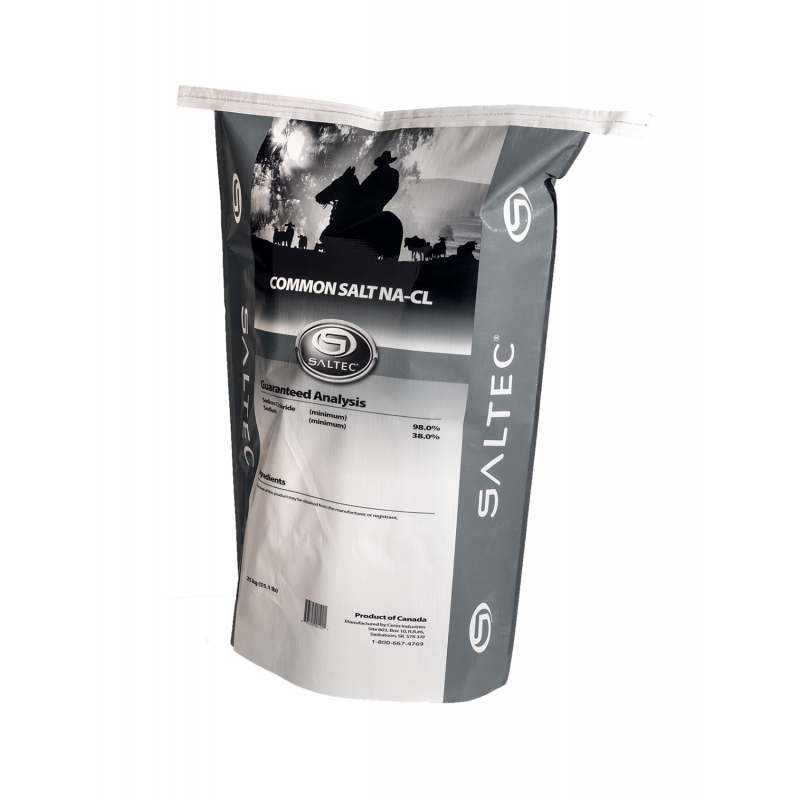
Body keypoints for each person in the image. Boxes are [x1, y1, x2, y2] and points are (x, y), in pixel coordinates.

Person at [359, 151, 399, 216]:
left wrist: (380, 201)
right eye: (381, 163)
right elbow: (363, 186)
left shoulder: (393, 173)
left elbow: (392, 190)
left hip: (375, 204)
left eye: (384, 162)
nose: (382, 165)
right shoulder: (375, 173)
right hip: (367, 202)